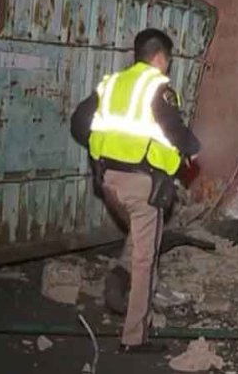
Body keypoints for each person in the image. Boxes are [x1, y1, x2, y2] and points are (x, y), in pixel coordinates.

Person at [70, 28, 201, 354]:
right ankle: (134, 336)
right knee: (146, 257)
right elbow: (172, 126)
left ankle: (118, 280)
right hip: (143, 184)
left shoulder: (110, 84)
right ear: (160, 57)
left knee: (139, 237)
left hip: (108, 182)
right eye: (167, 60)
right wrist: (192, 147)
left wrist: (106, 152)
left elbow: (78, 123)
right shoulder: (157, 86)